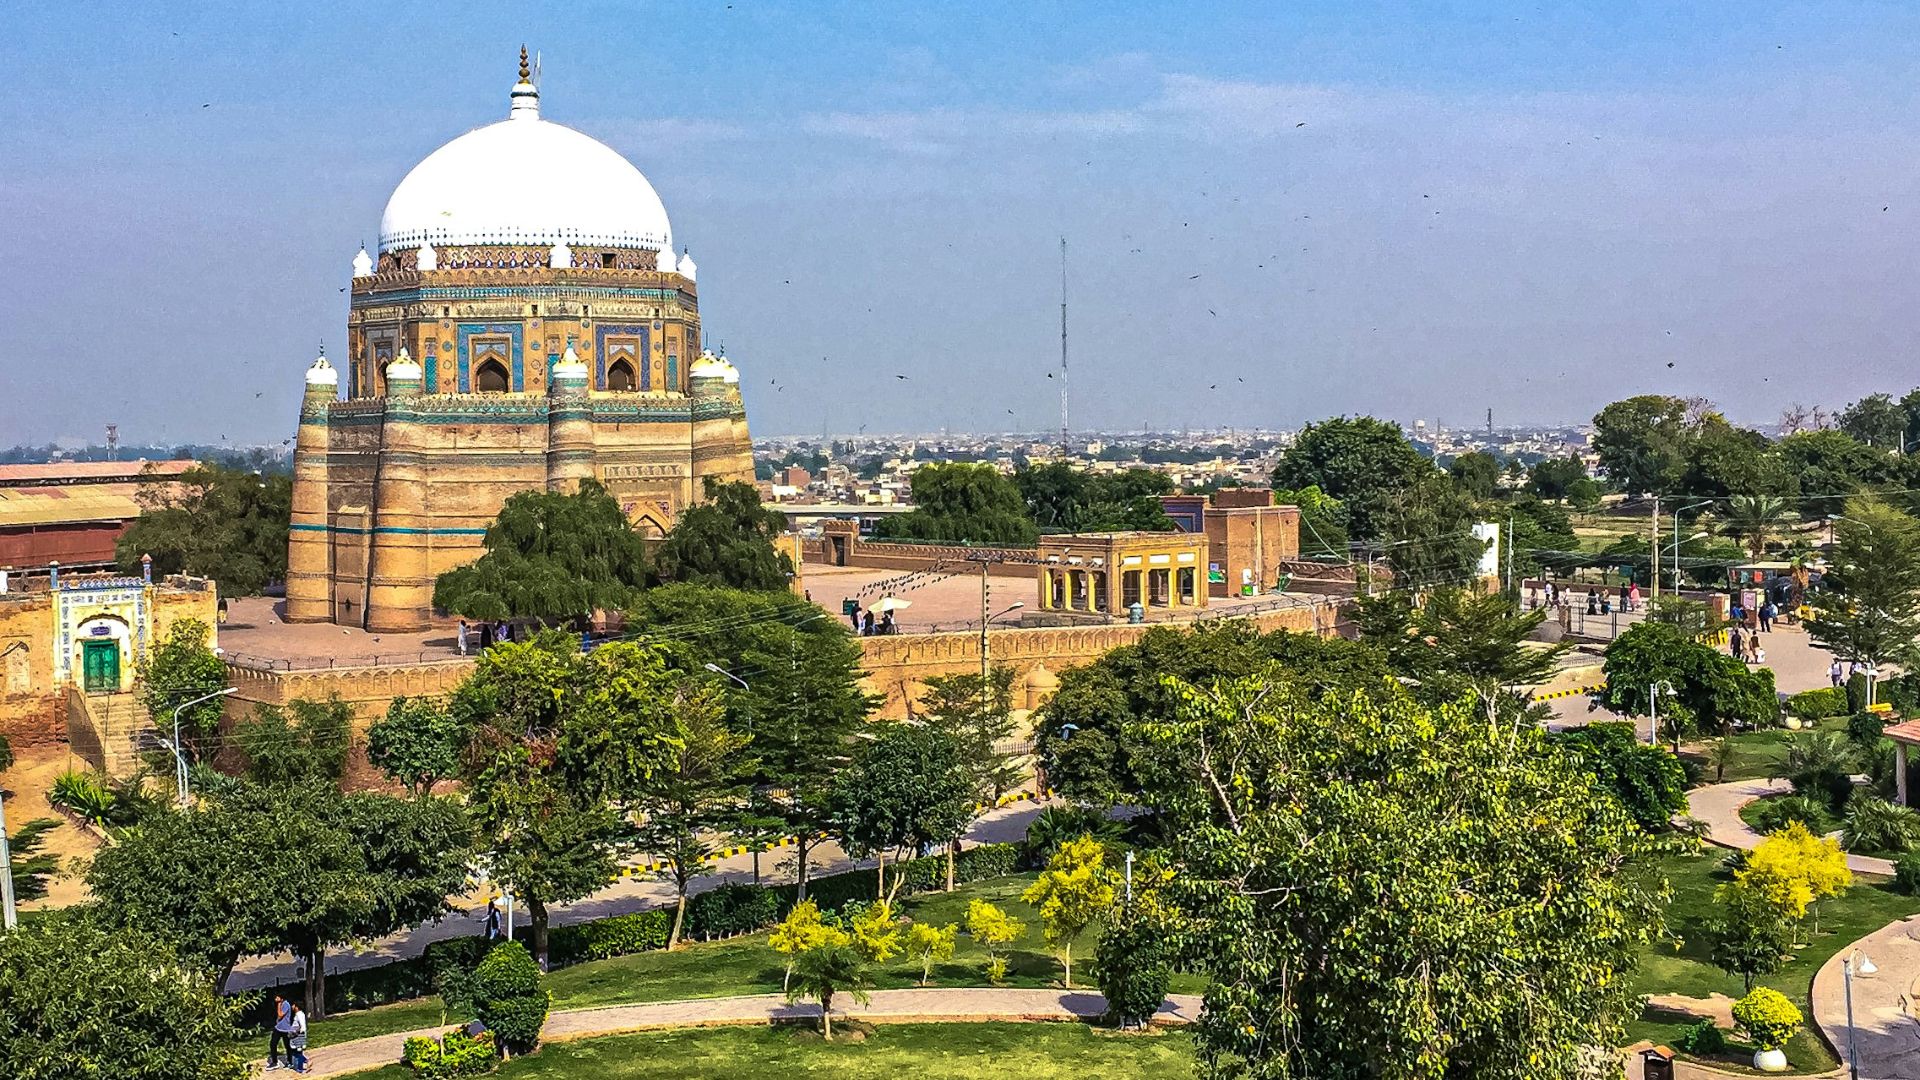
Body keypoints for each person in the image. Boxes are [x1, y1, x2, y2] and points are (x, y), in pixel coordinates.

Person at [268, 994, 293, 1070]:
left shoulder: (286, 1004)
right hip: (278, 1028)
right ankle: (275, 1062)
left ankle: (290, 1062)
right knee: (273, 1043)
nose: (275, 998)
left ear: (281, 998)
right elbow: (279, 1016)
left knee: (287, 1046)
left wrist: (279, 1005)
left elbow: (280, 1014)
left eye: (277, 997)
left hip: (285, 1029)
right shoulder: (280, 1004)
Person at [287, 1003, 309, 1074]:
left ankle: (300, 1069)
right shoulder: (298, 1014)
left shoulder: (299, 1014)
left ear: (297, 1007)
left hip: (298, 1037)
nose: (292, 1006)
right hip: (296, 1036)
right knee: (294, 1052)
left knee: (298, 1052)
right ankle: (305, 1060)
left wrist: (296, 1033)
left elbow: (303, 1027)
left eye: (293, 1005)